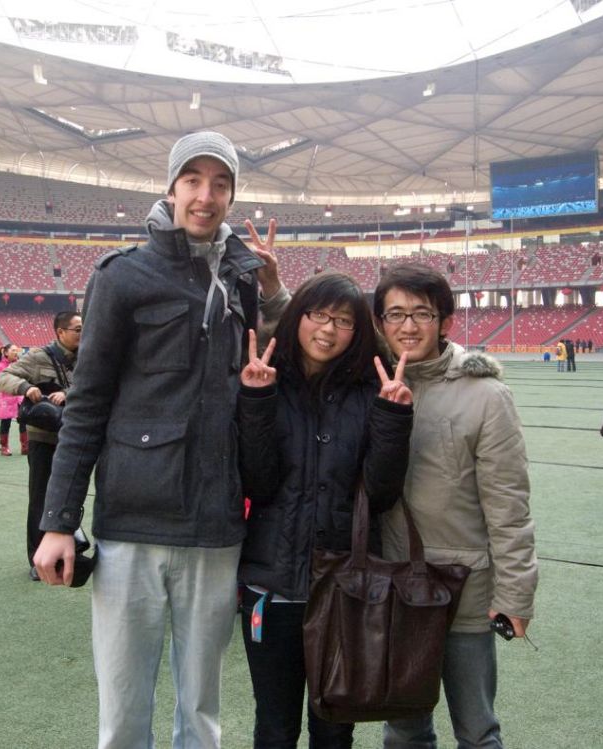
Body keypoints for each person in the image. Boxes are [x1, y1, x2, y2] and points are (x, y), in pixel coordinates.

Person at [34, 131, 285, 749]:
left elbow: (276, 364)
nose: (206, 196)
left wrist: (273, 290)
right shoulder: (123, 275)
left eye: (220, 184)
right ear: (171, 189)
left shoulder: (243, 278)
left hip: (215, 525)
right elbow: (87, 404)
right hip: (132, 522)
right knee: (123, 711)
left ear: (231, 196)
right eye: (192, 181)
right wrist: (59, 521)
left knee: (201, 709)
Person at [237, 272, 413, 748]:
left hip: (343, 588)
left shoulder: (370, 392)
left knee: (334, 727)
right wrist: (256, 399)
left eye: (344, 320)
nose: (329, 329)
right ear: (298, 316)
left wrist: (393, 416)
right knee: (275, 727)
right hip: (271, 586)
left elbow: (381, 494)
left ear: (358, 332)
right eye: (319, 314)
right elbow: (258, 483)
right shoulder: (268, 382)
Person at [375, 264, 537, 749]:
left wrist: (515, 595)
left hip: (462, 592)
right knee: (403, 730)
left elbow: (509, 505)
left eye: (421, 313)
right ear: (380, 323)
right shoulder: (365, 383)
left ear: (445, 321)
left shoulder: (486, 396)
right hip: (394, 588)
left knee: (477, 730)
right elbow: (312, 328)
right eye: (395, 314)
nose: (408, 326)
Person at [0, 312, 79, 580]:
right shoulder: (38, 357)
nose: (83, 334)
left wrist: (67, 393)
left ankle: (69, 552)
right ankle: (37, 558)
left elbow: (98, 385)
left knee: (73, 496)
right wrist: (25, 387)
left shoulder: (89, 356)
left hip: (78, 437)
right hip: (43, 438)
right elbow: (4, 376)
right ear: (60, 332)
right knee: (40, 498)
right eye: (77, 329)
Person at [0, 344, 28, 457]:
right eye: (13, 350)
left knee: (23, 421)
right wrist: (12, 381)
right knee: (5, 423)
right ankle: (4, 447)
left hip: (19, 398)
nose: (16, 352)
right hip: (6, 399)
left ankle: (25, 446)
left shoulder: (19, 364)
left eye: (17, 350)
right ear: (6, 352)